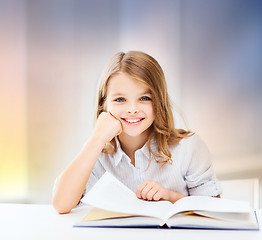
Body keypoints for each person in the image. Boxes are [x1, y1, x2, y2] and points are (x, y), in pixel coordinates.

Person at [52, 51, 222, 214]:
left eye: (144, 98)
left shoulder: (188, 148)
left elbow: (215, 209)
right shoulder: (97, 151)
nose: (132, 109)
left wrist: (170, 197)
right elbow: (61, 204)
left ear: (159, 101)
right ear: (104, 104)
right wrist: (97, 138)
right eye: (120, 99)